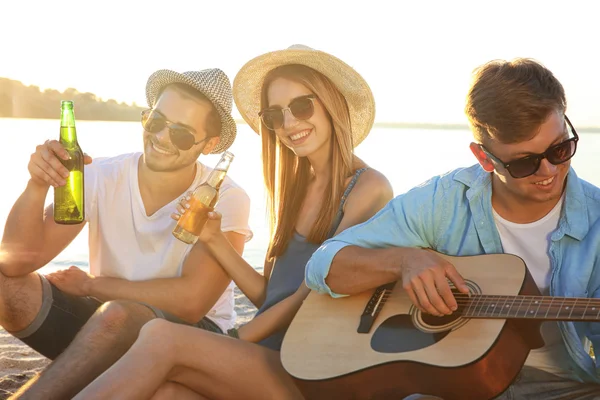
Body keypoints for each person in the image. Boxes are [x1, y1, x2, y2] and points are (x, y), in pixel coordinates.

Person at [72, 44, 394, 400]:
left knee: (161, 336)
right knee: (165, 394)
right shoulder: (296, 190)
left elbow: (312, 296)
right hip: (266, 360)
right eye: (274, 114)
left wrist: (239, 337)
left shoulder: (368, 188)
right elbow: (267, 296)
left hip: (312, 368)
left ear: (332, 103)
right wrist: (213, 239)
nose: (289, 124)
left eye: (302, 106)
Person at [304, 58, 600, 399]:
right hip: (449, 385)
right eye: (524, 162)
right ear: (484, 158)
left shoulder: (594, 219)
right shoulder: (442, 201)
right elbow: (321, 266)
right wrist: (403, 261)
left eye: (560, 148)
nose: (549, 169)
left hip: (562, 386)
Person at [0, 68, 252, 400]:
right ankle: (94, 375)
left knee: (118, 314)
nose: (161, 138)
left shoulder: (225, 196)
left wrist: (92, 285)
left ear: (210, 144)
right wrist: (37, 185)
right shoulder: (101, 176)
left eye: (181, 135)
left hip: (191, 337)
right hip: (105, 326)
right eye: (157, 122)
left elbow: (192, 303)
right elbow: (16, 262)